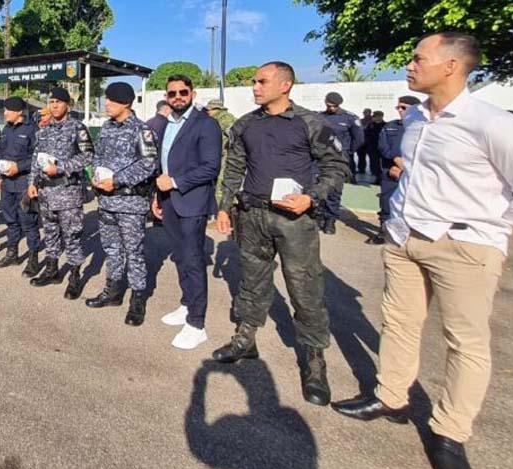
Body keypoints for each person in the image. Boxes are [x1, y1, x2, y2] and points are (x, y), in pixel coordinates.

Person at [331, 32, 513, 469]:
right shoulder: (415, 119)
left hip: (464, 245)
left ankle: (450, 431)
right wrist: (398, 221)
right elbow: (412, 175)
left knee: (465, 341)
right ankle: (391, 397)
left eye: (419, 58)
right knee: (399, 323)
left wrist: (486, 228)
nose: (409, 65)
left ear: (451, 65)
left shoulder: (492, 123)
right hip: (405, 240)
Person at [212, 61, 349, 406]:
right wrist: (224, 207)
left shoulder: (310, 123)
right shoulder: (245, 124)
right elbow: (234, 168)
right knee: (252, 281)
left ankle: (314, 361)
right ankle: (246, 339)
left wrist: (311, 197)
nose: (255, 87)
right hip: (252, 215)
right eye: (254, 81)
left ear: (285, 85)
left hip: (294, 220)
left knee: (304, 287)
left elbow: (336, 166)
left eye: (262, 81)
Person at [150, 75, 221, 349]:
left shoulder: (206, 124)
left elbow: (210, 167)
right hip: (169, 201)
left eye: (183, 92)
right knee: (180, 256)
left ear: (192, 93)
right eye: (172, 93)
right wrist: (158, 196)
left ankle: (197, 322)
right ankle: (186, 303)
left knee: (193, 260)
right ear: (166, 97)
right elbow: (163, 164)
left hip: (192, 202)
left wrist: (176, 182)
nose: (177, 97)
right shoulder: (168, 123)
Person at [85, 82, 158, 327]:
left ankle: (138, 299)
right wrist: (95, 175)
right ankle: (113, 291)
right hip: (106, 201)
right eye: (106, 99)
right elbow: (97, 156)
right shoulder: (106, 127)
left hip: (130, 203)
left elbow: (148, 164)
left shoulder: (142, 130)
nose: (106, 104)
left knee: (133, 252)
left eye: (112, 100)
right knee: (112, 249)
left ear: (125, 103)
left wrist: (115, 181)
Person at [27, 86, 93, 298]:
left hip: (68, 192)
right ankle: (52, 270)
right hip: (46, 192)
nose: (54, 105)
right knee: (51, 233)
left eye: (59, 102)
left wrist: (62, 167)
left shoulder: (77, 128)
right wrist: (32, 182)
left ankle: (75, 277)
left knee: (72, 236)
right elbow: (36, 159)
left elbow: (88, 156)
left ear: (68, 105)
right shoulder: (44, 130)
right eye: (52, 102)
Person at [0, 96, 42, 276]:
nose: (4, 113)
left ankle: (33, 259)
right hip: (7, 183)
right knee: (10, 220)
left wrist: (19, 167)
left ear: (19, 112)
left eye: (8, 110)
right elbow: (1, 153)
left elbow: (38, 158)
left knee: (28, 222)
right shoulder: (7, 129)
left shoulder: (32, 130)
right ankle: (12, 253)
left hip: (24, 183)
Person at [366, 96, 421, 245]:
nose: (400, 110)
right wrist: (395, 159)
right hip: (390, 170)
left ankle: (411, 235)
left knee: (412, 204)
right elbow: (382, 146)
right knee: (386, 202)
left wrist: (405, 166)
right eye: (398, 107)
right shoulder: (390, 126)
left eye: (404, 107)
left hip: (413, 173)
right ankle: (384, 233)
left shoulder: (422, 126)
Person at [320, 92, 363, 234]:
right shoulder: (320, 116)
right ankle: (319, 216)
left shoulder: (349, 118)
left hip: (338, 159)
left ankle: (330, 220)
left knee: (334, 189)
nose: (331, 108)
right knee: (318, 187)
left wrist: (347, 152)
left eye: (335, 106)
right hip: (320, 157)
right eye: (329, 106)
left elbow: (359, 139)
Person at [205, 99, 237, 208]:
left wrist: (229, 148)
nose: (207, 112)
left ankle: (222, 209)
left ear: (216, 109)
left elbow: (234, 135)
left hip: (228, 156)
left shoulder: (224, 118)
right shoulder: (217, 118)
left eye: (209, 110)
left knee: (221, 184)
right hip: (222, 156)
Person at [365, 111, 386, 184]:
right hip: (372, 148)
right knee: (374, 164)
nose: (373, 118)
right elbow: (366, 135)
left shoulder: (385, 125)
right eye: (373, 116)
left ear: (380, 116)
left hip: (383, 148)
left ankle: (384, 178)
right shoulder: (370, 125)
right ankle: (377, 178)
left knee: (384, 164)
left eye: (375, 116)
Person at [356, 108, 372, 174]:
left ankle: (374, 170)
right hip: (361, 142)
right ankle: (361, 169)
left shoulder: (373, 121)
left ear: (370, 113)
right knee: (361, 157)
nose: (365, 113)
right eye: (365, 112)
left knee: (373, 158)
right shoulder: (360, 121)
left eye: (367, 112)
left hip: (370, 142)